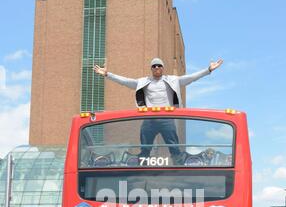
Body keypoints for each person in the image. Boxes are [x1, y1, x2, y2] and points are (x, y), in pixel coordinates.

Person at [93, 57, 223, 160]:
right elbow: (125, 81)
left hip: (167, 119)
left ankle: (178, 165)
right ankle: (142, 164)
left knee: (174, 148)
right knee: (144, 147)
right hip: (150, 119)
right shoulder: (143, 82)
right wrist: (107, 74)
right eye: (154, 66)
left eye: (159, 65)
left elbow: (192, 78)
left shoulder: (173, 80)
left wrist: (208, 70)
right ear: (151, 69)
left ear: (163, 68)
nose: (156, 67)